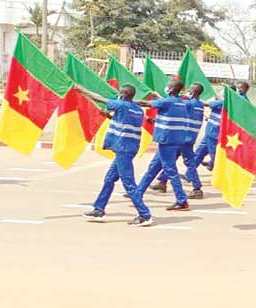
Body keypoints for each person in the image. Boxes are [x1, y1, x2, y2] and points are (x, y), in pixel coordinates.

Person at [78, 84, 154, 226]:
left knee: (129, 183)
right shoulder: (137, 109)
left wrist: (80, 89)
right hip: (129, 147)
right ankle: (99, 209)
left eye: (120, 94)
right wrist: (108, 116)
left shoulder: (121, 105)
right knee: (109, 179)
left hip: (123, 148)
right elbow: (123, 122)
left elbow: (99, 98)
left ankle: (145, 214)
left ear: (123, 95)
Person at [133, 79, 191, 211]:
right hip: (174, 139)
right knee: (153, 168)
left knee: (170, 170)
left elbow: (145, 103)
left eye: (168, 86)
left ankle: (181, 200)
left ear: (170, 89)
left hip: (167, 140)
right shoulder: (181, 103)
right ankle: (137, 194)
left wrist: (127, 101)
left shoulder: (166, 102)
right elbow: (166, 107)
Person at [149, 83, 206, 199]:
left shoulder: (189, 103)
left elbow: (172, 103)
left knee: (180, 162)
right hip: (189, 136)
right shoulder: (199, 104)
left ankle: (196, 188)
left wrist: (158, 96)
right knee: (171, 160)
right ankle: (162, 181)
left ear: (194, 92)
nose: (187, 92)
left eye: (190, 90)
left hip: (182, 137)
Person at [191, 81, 249, 173]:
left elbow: (207, 104)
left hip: (215, 132)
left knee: (215, 155)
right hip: (212, 131)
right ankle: (190, 174)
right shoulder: (241, 100)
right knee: (199, 152)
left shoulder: (225, 101)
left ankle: (218, 171)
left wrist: (194, 99)